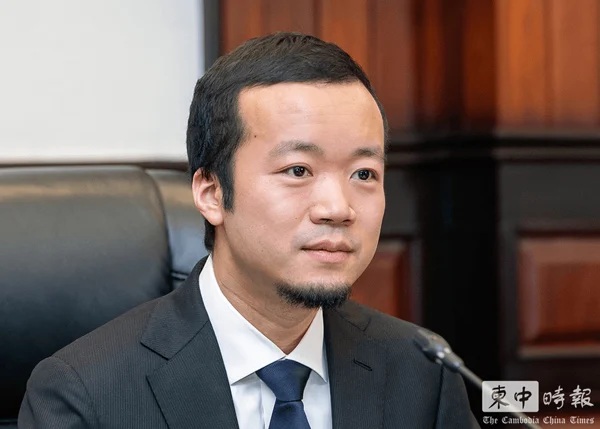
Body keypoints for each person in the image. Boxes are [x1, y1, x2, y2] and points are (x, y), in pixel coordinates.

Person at [19, 32, 479, 428]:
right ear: (212, 193)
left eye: (363, 174)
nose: (338, 208)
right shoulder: (85, 393)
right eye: (298, 170)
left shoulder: (424, 372)